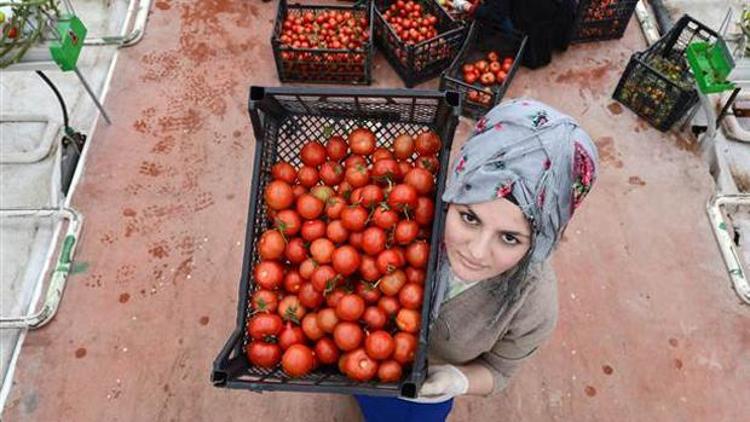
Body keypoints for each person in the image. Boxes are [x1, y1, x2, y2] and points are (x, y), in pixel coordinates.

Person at [355, 99, 599, 421]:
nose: (477, 252)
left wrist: (459, 380)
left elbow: (499, 369)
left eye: (510, 238)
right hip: (360, 355)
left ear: (542, 241)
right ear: (455, 189)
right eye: (469, 217)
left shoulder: (532, 305)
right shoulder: (408, 218)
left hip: (422, 400)